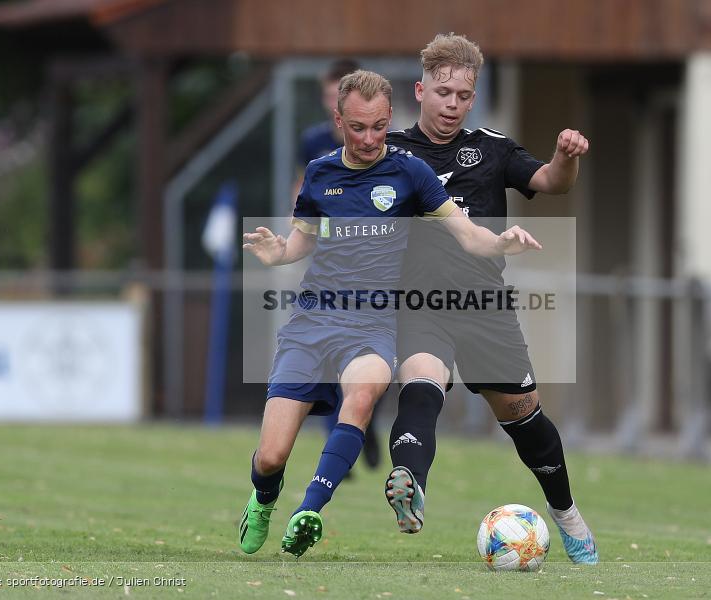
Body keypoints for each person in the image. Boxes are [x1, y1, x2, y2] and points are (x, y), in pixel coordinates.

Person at [239, 69, 542, 558]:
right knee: (272, 456)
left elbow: (467, 234)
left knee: (360, 400)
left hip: (375, 324)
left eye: (380, 126)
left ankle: (308, 512)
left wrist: (500, 241)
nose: (370, 138)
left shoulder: (410, 173)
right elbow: (302, 241)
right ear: (338, 121)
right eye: (358, 127)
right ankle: (264, 498)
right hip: (314, 322)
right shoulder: (320, 173)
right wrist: (278, 253)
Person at [383, 33, 599, 564]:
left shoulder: (494, 147)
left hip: (484, 308)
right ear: (421, 90)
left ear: (472, 96)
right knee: (421, 384)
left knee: (524, 419)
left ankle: (568, 515)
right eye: (443, 92)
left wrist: (565, 157)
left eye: (463, 94)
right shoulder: (392, 155)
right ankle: (410, 482)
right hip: (419, 305)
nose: (453, 104)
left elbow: (553, 182)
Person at [296, 58, 383, 471]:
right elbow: (303, 190)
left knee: (371, 357)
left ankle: (364, 424)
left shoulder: (380, 148)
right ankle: (338, 436)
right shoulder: (314, 145)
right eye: (329, 95)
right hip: (329, 264)